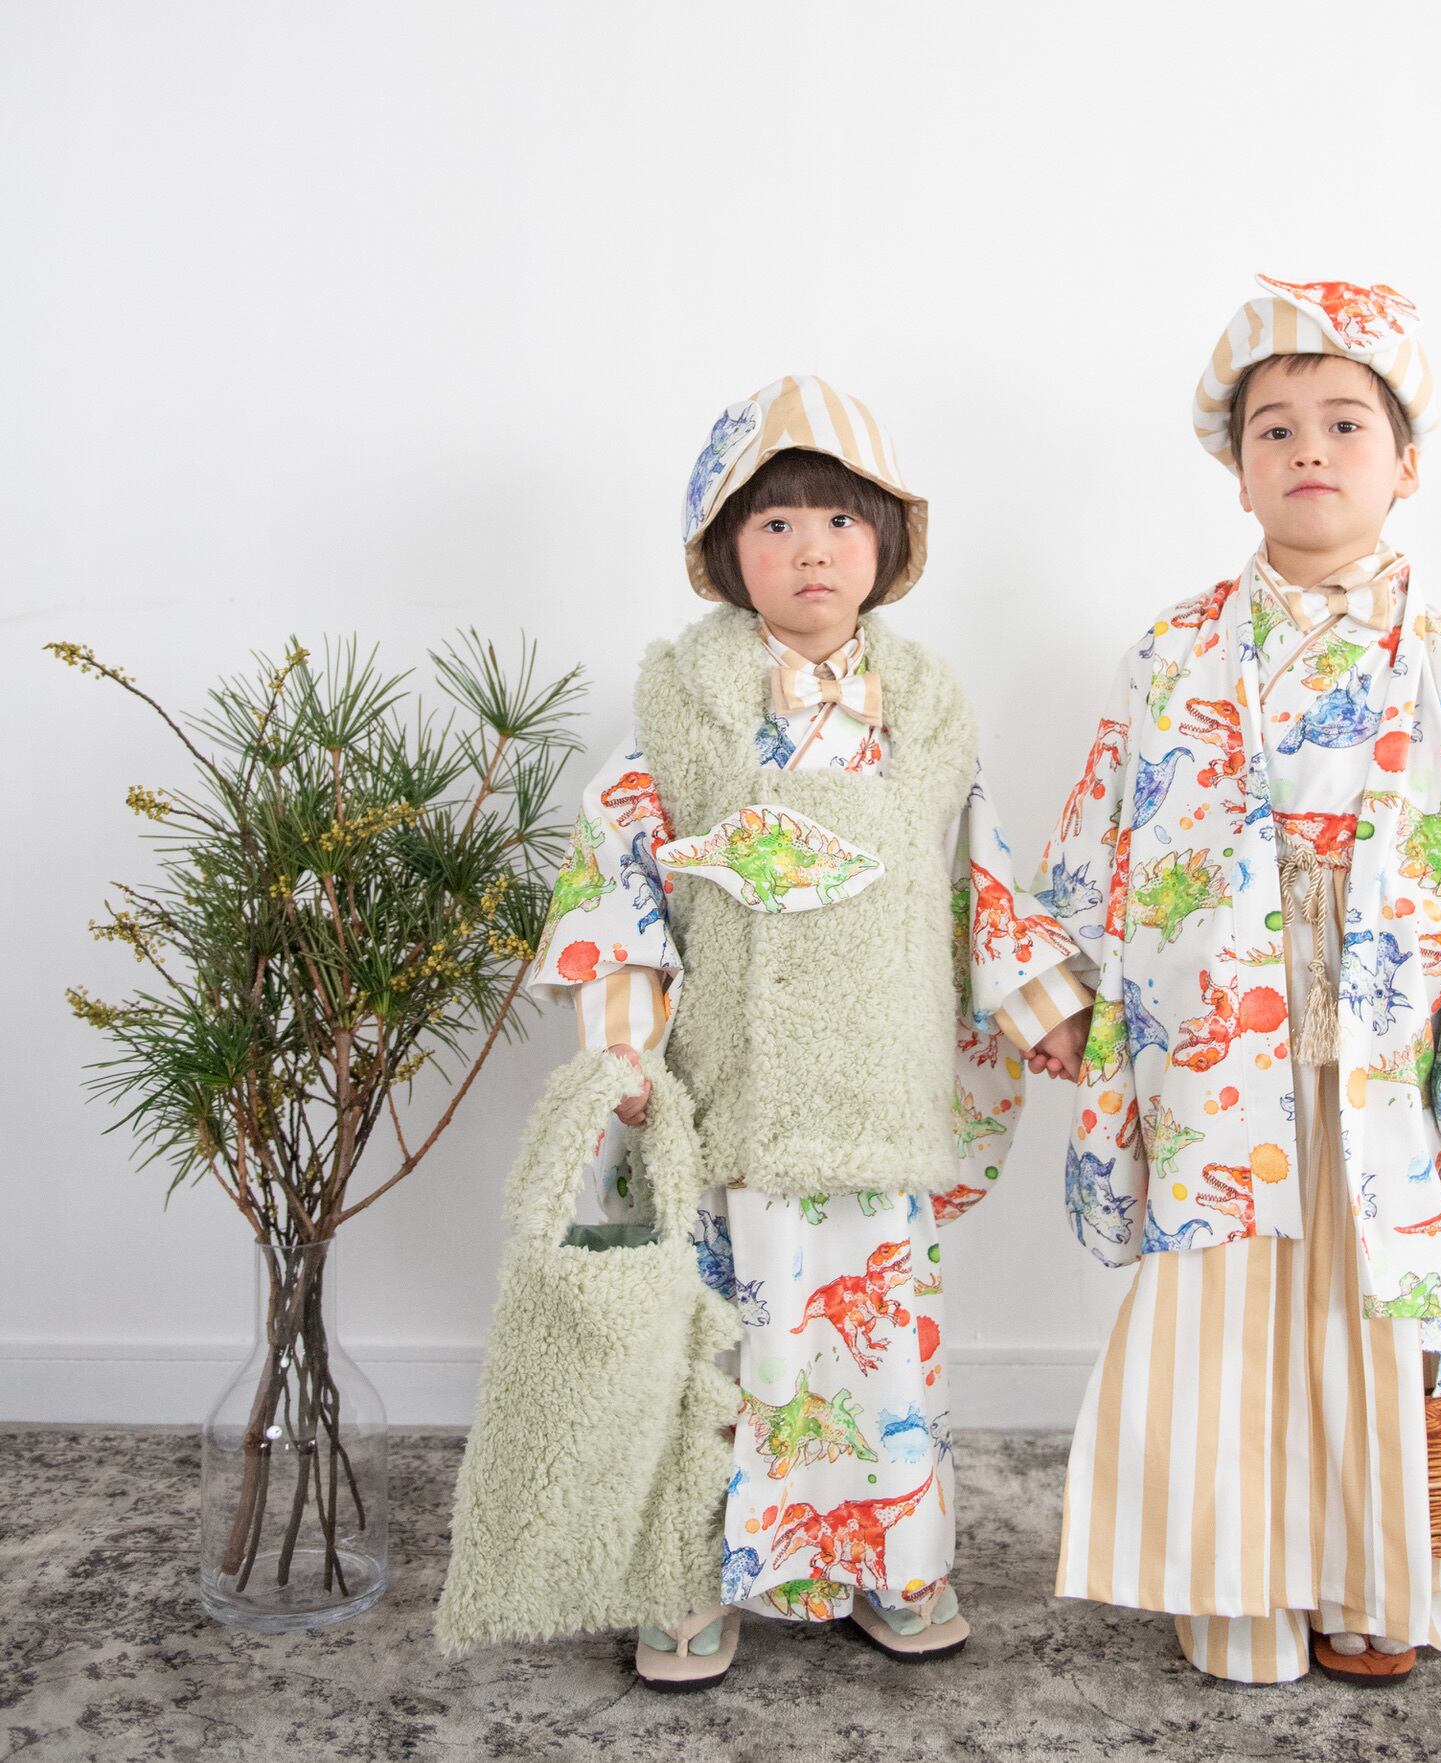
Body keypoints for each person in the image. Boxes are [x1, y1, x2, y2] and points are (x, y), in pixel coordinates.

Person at [1026, 277, 1441, 1684]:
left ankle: (1374, 1571)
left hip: (1394, 1032)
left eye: (1347, 423)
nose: (1309, 450)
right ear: (1237, 472)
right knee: (1225, 1306)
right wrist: (1067, 990)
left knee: (1376, 1303)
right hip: (1219, 1025)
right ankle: (1231, 1579)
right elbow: (1105, 825)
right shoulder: (1172, 653)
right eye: (1274, 428)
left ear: (1406, 463)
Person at [530, 374, 1090, 1686]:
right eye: (774, 523)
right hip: (733, 1077)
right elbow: (620, 877)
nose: (811, 550)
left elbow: (978, 878)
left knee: (873, 1337)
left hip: (879, 1079)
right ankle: (689, 1574)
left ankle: (888, 1558)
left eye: (841, 520)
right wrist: (625, 1041)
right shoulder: (680, 713)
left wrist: (1041, 1006)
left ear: (889, 543)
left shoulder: (926, 713)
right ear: (725, 551)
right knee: (717, 1339)